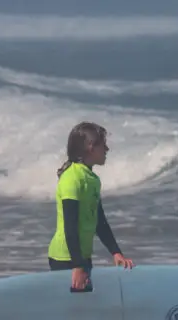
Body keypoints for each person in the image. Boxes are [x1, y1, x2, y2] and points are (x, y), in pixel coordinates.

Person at [47, 121, 135, 291]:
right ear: (91, 147)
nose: (107, 149)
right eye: (104, 145)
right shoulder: (72, 178)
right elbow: (70, 226)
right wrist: (78, 266)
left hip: (81, 257)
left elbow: (99, 222)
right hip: (65, 258)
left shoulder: (92, 179)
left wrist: (116, 252)